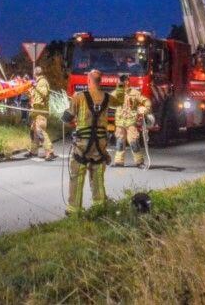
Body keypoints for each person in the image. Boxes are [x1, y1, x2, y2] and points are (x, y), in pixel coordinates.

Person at [61, 69, 111, 215]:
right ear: (100, 81)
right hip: (100, 145)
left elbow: (67, 117)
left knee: (77, 175)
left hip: (82, 144)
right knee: (98, 176)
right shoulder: (107, 97)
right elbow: (118, 100)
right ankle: (99, 208)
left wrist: (68, 118)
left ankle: (74, 210)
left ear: (88, 81)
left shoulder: (79, 97)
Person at [111, 74, 152, 168]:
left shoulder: (135, 93)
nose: (122, 82)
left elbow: (146, 101)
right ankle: (118, 161)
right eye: (120, 80)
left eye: (124, 80)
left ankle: (139, 162)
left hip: (131, 121)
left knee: (133, 141)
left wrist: (146, 109)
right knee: (120, 141)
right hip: (120, 122)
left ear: (127, 81)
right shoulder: (116, 93)